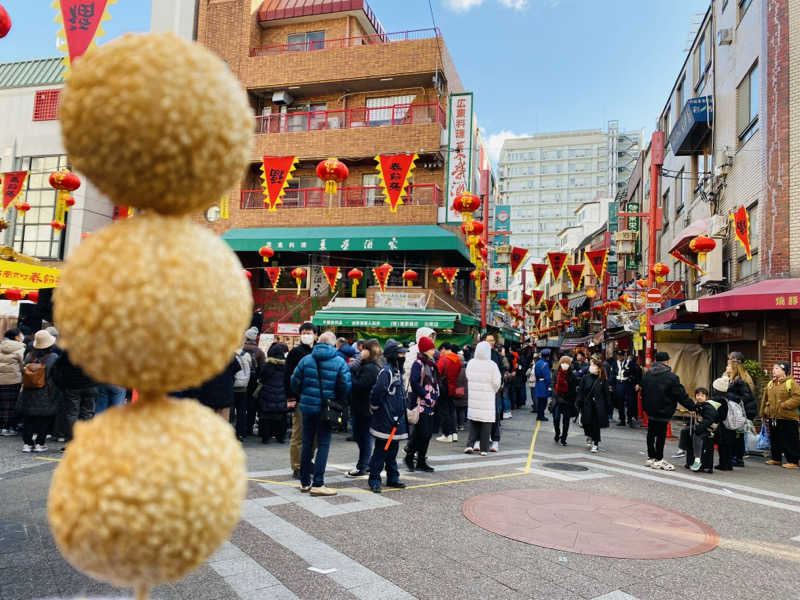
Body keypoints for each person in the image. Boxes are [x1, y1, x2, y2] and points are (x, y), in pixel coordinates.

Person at [291, 331, 352, 496]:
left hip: (307, 406)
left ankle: (304, 482)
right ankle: (318, 483)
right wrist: (336, 398)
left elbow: (294, 382)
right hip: (327, 408)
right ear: (333, 344)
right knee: (323, 444)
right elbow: (345, 385)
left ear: (318, 342)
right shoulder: (339, 361)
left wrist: (303, 395)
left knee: (306, 442)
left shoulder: (306, 359)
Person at [641, 351, 695, 470]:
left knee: (651, 433)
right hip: (664, 409)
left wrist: (645, 406)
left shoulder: (647, 374)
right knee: (661, 434)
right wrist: (693, 407)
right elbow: (680, 395)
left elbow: (643, 392)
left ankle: (651, 457)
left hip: (650, 409)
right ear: (666, 361)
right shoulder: (671, 377)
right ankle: (659, 458)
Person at [367, 339, 408, 493]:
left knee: (392, 451)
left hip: (396, 420)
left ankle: (393, 478)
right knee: (381, 450)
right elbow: (377, 393)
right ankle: (374, 479)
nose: (403, 356)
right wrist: (376, 408)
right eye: (400, 353)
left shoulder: (398, 371)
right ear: (392, 355)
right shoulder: (387, 372)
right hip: (386, 420)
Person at [19, 330, 59, 452]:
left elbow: (22, 370)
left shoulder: (29, 356)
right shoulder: (53, 357)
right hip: (46, 391)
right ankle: (39, 444)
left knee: (28, 418)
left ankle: (27, 444)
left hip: (28, 391)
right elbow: (55, 375)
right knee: (43, 418)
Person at [285, 322, 316, 479]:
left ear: (315, 334)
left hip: (317, 399)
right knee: (298, 434)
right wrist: (290, 398)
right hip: (300, 399)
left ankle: (308, 461)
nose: (306, 334)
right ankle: (297, 466)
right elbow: (287, 376)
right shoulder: (295, 352)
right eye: (303, 332)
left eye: (309, 332)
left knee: (315, 434)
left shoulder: (319, 350)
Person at [347, 339, 382, 478]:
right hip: (361, 406)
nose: (361, 351)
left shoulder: (371, 367)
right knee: (361, 436)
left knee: (363, 437)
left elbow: (359, 385)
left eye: (364, 349)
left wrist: (350, 377)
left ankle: (363, 465)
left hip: (364, 408)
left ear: (369, 351)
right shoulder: (368, 365)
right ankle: (365, 464)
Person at [405, 335, 439, 472]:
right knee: (422, 433)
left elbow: (435, 381)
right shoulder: (418, 363)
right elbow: (414, 382)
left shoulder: (432, 363)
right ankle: (410, 456)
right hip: (420, 403)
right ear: (425, 349)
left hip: (431, 403)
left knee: (426, 434)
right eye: (431, 348)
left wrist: (435, 394)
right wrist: (426, 395)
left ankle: (421, 460)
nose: (433, 350)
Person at [52, 349, 98, 448]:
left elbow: (57, 367)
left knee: (71, 414)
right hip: (90, 385)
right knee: (88, 413)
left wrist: (62, 384)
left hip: (72, 386)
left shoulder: (68, 350)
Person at [464, 340, 501, 455]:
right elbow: (496, 382)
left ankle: (470, 445)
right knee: (486, 424)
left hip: (474, 398)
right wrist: (493, 390)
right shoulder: (492, 365)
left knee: (474, 422)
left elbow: (468, 376)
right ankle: (484, 449)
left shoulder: (471, 363)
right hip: (487, 398)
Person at [760, 361, 800, 468]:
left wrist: (784, 405)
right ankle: (776, 458)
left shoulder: (791, 383)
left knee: (790, 439)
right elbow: (765, 399)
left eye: (777, 368)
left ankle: (793, 461)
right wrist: (763, 412)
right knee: (775, 438)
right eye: (774, 368)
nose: (774, 370)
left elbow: (797, 397)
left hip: (788, 417)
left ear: (784, 371)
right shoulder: (771, 383)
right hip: (774, 416)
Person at [725, 352, 756, 467]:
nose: (726, 367)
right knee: (735, 435)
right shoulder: (731, 379)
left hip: (741, 413)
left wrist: (731, 398)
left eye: (728, 366)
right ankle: (736, 456)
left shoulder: (741, 380)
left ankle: (738, 458)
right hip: (736, 412)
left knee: (738, 435)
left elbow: (747, 396)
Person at [192, 355, 241, 422]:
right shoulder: (227, 353)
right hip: (225, 394)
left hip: (207, 394)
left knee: (207, 423)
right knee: (223, 424)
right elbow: (237, 368)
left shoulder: (203, 354)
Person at [257, 342, 289, 444]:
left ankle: (265, 437)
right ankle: (280, 437)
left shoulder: (267, 365)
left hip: (267, 393)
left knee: (265, 415)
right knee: (281, 415)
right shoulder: (286, 366)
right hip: (281, 393)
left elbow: (262, 378)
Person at [576, 357, 609, 454]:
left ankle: (596, 443)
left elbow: (606, 394)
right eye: (591, 365)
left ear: (599, 368)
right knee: (586, 423)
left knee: (595, 425)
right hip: (586, 405)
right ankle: (589, 435)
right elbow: (581, 391)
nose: (592, 367)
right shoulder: (585, 378)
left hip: (597, 406)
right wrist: (579, 402)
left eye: (594, 365)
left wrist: (607, 406)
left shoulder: (602, 379)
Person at [687, 385, 720, 473]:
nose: (699, 397)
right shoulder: (699, 405)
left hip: (710, 429)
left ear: (706, 397)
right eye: (698, 395)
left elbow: (708, 420)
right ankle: (682, 450)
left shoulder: (707, 406)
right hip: (705, 426)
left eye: (702, 396)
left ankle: (697, 459)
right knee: (685, 431)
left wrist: (698, 428)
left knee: (697, 435)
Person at [607, 349, 642, 427]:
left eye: (621, 356)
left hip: (628, 384)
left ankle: (629, 419)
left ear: (624, 356)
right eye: (618, 356)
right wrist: (610, 385)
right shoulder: (614, 364)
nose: (619, 357)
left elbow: (637, 374)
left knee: (630, 402)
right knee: (620, 402)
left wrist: (637, 384)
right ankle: (622, 420)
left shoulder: (630, 363)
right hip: (618, 383)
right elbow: (611, 375)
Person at [0, 328, 25, 436]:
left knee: (1, 403)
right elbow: (23, 364)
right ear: (16, 337)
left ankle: (1, 427)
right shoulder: (20, 348)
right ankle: (8, 427)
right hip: (13, 380)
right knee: (11, 404)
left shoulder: (0, 346)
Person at [242, 326, 266, 436]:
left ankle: (239, 427)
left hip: (239, 383)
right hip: (253, 383)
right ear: (255, 338)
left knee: (240, 405)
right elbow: (263, 370)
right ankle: (249, 428)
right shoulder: (260, 352)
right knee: (252, 406)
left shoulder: (239, 350)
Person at [436, 342, 461, 443]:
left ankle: (447, 434)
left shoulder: (443, 359)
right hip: (452, 387)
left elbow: (437, 371)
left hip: (443, 387)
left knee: (443, 411)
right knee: (451, 410)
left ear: (444, 349)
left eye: (440, 350)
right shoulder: (457, 360)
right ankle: (454, 433)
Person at [553, 355, 578, 446]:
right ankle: (557, 432)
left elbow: (573, 389)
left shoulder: (572, 375)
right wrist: (558, 398)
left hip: (568, 401)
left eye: (567, 363)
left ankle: (564, 437)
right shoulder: (556, 373)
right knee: (556, 418)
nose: (565, 365)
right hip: (557, 400)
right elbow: (553, 386)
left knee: (566, 421)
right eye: (563, 363)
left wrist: (569, 399)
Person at [232, 343, 253, 441]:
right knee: (241, 411)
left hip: (232, 388)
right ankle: (241, 433)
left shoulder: (229, 355)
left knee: (230, 411)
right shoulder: (245, 355)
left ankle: (230, 432)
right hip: (243, 388)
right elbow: (249, 369)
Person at [531, 349, 552, 421]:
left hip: (538, 383)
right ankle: (541, 416)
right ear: (547, 356)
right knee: (544, 401)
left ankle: (539, 415)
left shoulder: (537, 363)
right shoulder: (545, 364)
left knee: (540, 401)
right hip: (543, 384)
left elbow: (536, 374)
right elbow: (547, 377)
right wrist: (549, 385)